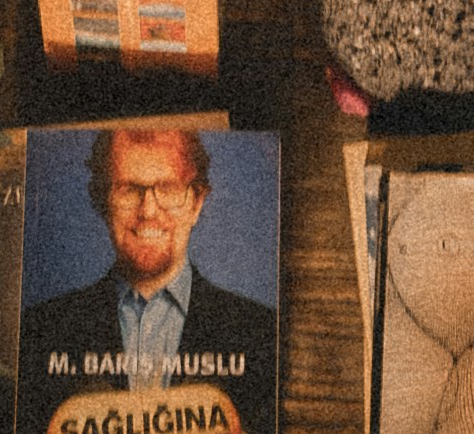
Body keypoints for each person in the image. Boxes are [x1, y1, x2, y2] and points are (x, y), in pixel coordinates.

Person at [16, 124, 280, 427]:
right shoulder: (39, 331)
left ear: (197, 203)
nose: (149, 210)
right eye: (129, 189)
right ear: (103, 203)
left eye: (168, 189)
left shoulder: (262, 334)